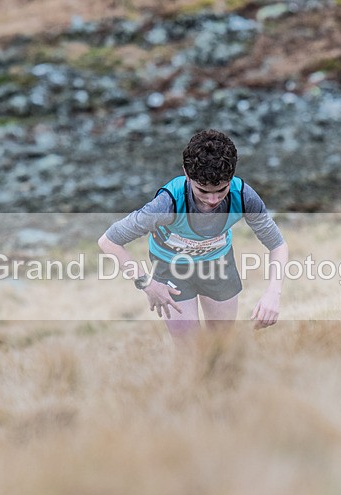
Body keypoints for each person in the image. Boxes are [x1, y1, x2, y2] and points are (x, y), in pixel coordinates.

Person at [98, 129, 288, 340]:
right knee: (189, 347)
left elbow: (277, 245)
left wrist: (273, 294)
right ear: (187, 175)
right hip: (171, 267)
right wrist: (147, 284)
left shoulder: (243, 197)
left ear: (232, 176)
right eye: (203, 191)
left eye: (221, 190)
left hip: (217, 263)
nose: (213, 200)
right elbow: (109, 241)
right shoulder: (166, 205)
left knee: (221, 342)